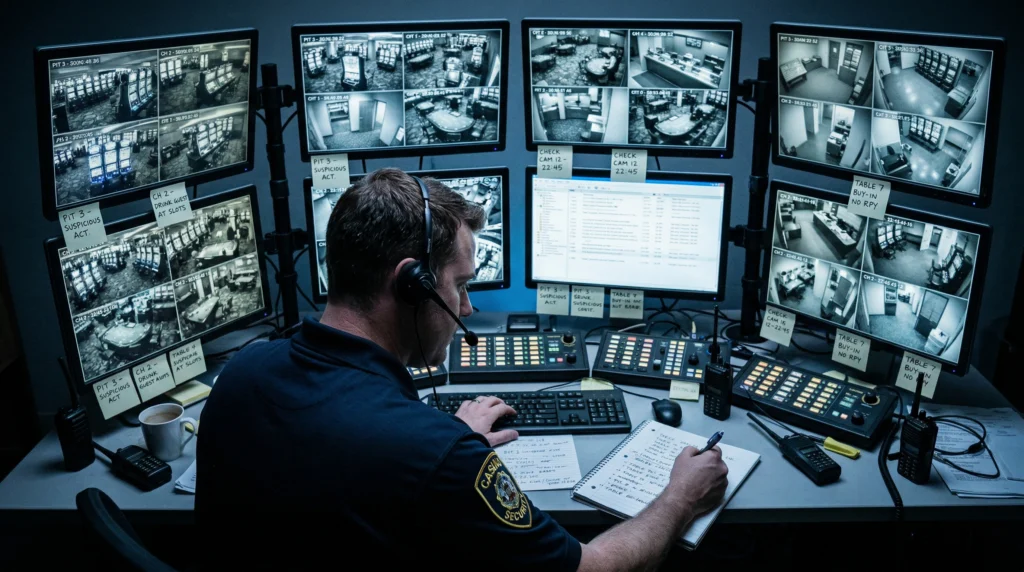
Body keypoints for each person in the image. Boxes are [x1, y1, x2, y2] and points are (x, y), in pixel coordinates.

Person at [196, 168, 728, 570]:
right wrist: (681, 495)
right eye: (461, 284)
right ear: (412, 285)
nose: (468, 308)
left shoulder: (242, 374)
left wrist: (445, 439)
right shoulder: (436, 454)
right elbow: (591, 568)